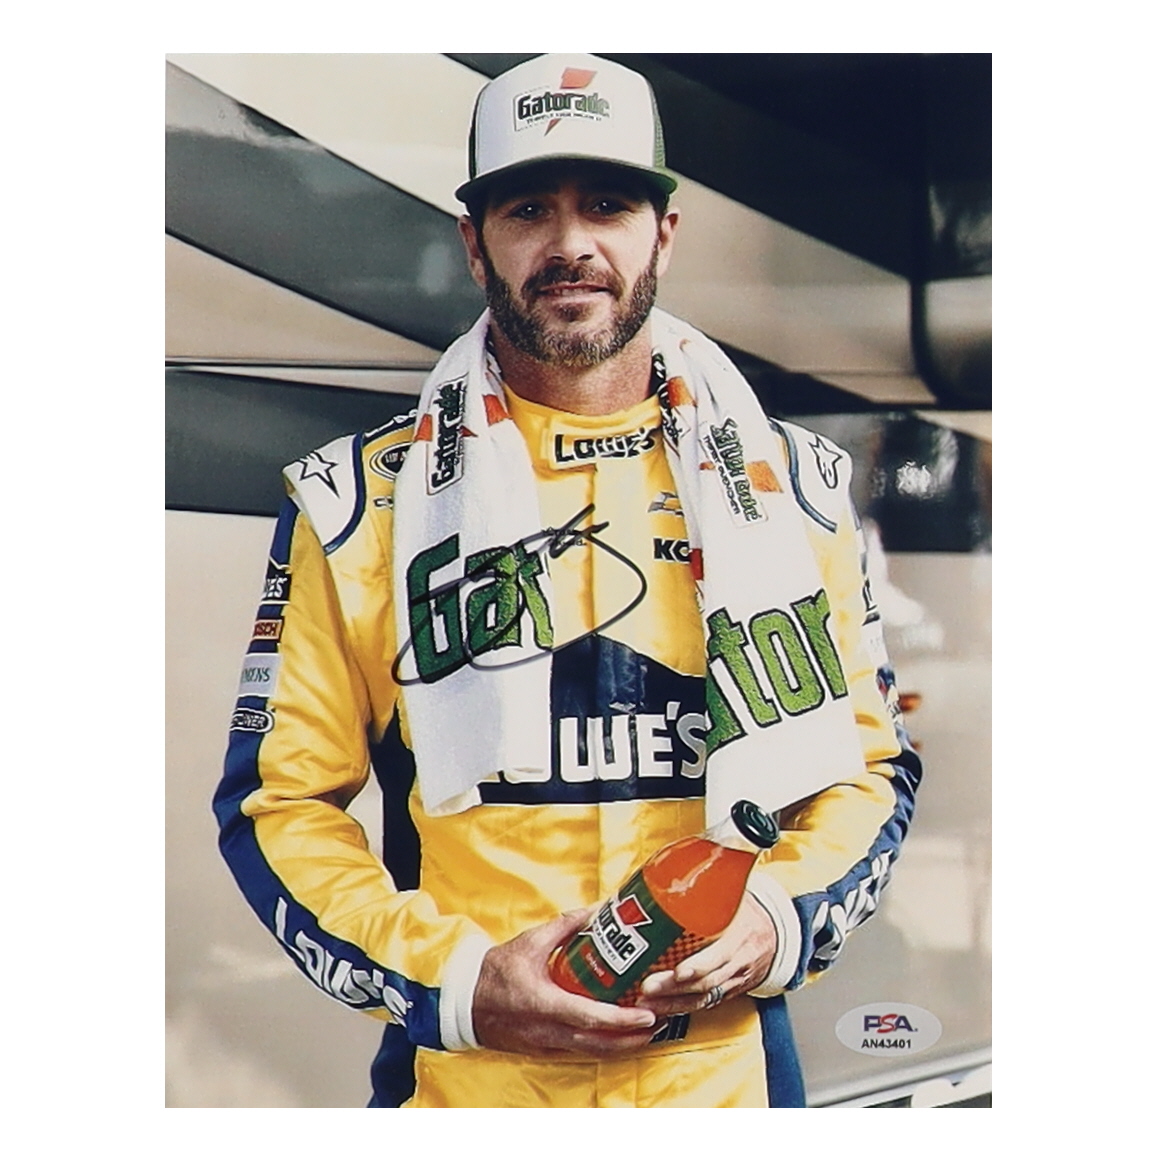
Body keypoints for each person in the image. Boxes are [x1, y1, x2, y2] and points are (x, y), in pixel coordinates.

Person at [213, 53, 921, 1109]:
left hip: (725, 1087)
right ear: (474, 242)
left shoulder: (791, 487)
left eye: (606, 205)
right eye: (528, 209)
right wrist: (457, 980)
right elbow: (278, 805)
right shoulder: (356, 504)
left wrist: (777, 915)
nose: (570, 244)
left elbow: (868, 769)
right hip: (468, 1090)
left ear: (662, 234)